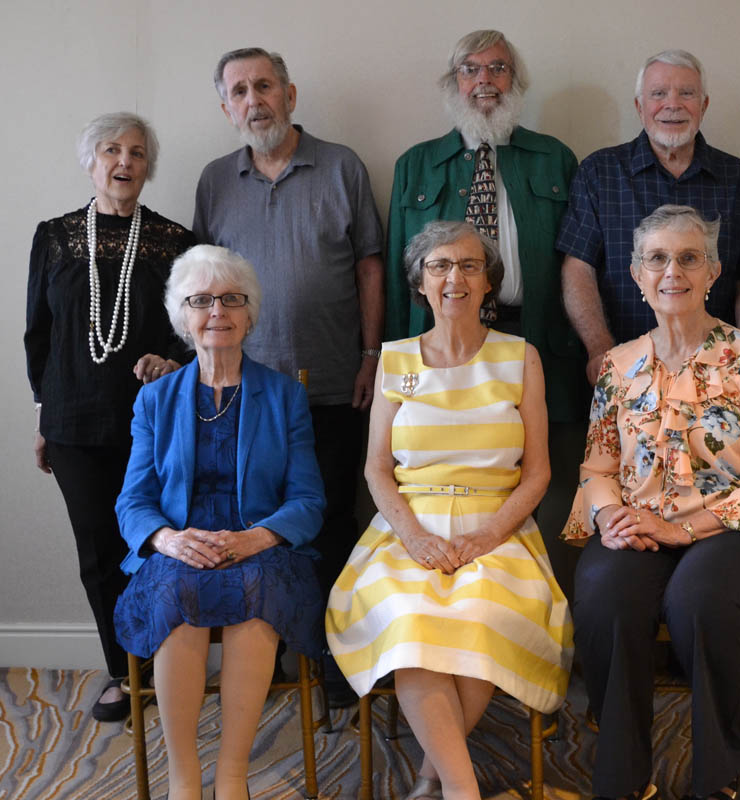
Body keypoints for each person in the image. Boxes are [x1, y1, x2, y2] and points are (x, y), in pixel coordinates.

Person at [565, 205, 740, 800]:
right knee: (604, 591)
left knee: (698, 593)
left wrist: (686, 529)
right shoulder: (618, 367)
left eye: (688, 257)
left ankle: (723, 773)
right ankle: (623, 776)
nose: (671, 271)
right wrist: (607, 517)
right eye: (657, 258)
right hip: (641, 523)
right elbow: (596, 466)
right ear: (636, 275)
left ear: (713, 272)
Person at [328, 221, 573, 800]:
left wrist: (489, 535)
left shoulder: (520, 358)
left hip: (500, 529)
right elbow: (376, 468)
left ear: (490, 282)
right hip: (406, 529)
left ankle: (430, 778)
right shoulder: (395, 361)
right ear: (420, 282)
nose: (454, 278)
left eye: (468, 265)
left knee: (481, 615)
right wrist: (412, 537)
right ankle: (462, 789)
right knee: (412, 622)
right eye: (439, 266)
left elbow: (537, 472)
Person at [193, 47, 385, 704]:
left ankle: (336, 666)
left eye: (265, 85)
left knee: (331, 523)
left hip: (331, 386)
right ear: (226, 106)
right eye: (240, 90)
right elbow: (204, 287)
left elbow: (369, 268)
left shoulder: (341, 167)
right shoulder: (215, 181)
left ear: (290, 93)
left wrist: (370, 357)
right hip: (241, 397)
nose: (255, 99)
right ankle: (268, 656)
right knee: (254, 525)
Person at [114, 245, 326, 800]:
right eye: (201, 300)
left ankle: (232, 777)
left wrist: (255, 538)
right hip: (179, 542)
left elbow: (307, 499)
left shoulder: (285, 396)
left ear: (250, 314)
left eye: (232, 299)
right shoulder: (155, 401)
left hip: (261, 540)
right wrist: (167, 538)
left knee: (255, 588)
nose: (217, 311)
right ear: (182, 316)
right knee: (177, 588)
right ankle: (184, 781)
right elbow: (133, 501)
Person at [384, 29, 587, 600]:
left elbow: (578, 263)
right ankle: (450, 611)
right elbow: (406, 270)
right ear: (453, 84)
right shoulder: (417, 165)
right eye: (470, 71)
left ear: (515, 83)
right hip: (445, 349)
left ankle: (548, 627)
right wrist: (396, 361)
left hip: (540, 340)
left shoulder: (555, 158)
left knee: (552, 493)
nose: (484, 82)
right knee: (458, 478)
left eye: (497, 70)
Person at [24, 112, 194, 721]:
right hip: (73, 425)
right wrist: (44, 418)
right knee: (97, 552)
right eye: (112, 150)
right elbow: (37, 336)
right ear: (90, 161)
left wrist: (172, 360)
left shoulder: (176, 241)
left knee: (155, 545)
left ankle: (166, 663)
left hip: (155, 423)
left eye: (138, 153)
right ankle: (125, 671)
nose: (125, 162)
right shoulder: (54, 236)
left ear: (149, 167)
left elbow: (196, 324)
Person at [559, 50, 740, 387]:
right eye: (658, 94)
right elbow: (578, 269)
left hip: (717, 377)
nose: (673, 104)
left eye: (687, 93)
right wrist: (600, 351)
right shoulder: (600, 173)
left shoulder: (738, 178)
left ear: (704, 104)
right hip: (624, 370)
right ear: (640, 107)